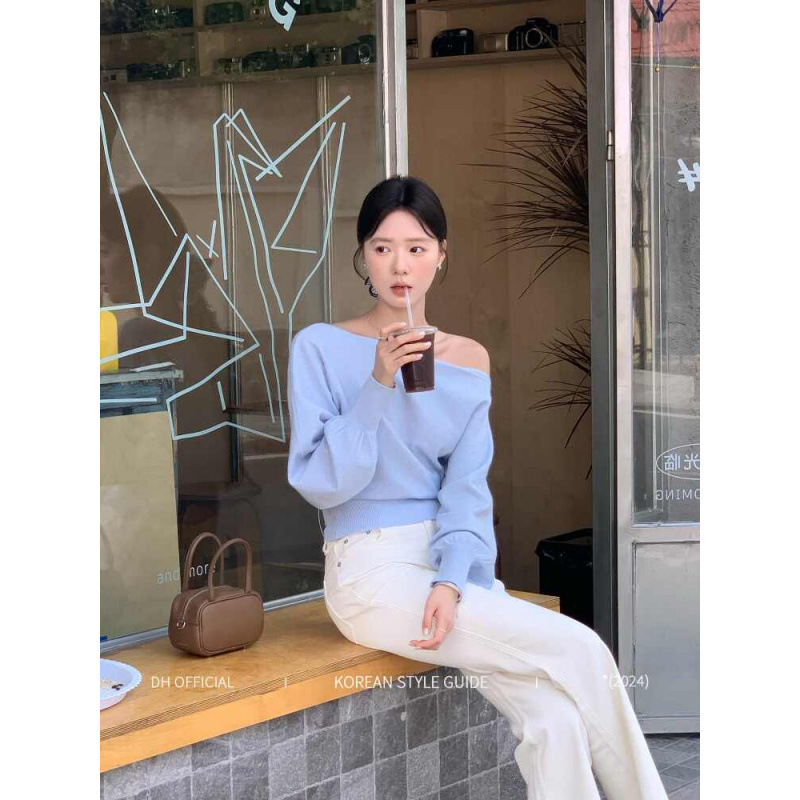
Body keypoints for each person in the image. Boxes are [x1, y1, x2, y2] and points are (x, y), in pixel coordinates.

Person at [286, 176, 669, 800]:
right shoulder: (320, 348)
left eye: (416, 247)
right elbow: (324, 485)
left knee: (554, 719)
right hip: (369, 572)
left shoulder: (467, 358)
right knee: (582, 650)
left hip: (450, 566)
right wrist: (378, 383)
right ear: (362, 257)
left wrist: (451, 578)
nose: (400, 265)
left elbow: (466, 489)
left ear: (441, 254)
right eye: (383, 248)